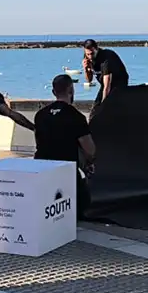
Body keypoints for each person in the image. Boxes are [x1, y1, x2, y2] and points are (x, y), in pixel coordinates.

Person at [34, 74, 96, 218]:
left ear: (53, 92)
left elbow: (39, 143)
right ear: (71, 90)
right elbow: (90, 150)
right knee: (84, 201)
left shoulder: (40, 115)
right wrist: (88, 164)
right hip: (65, 171)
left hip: (42, 169)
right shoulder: (76, 117)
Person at [82, 39, 129, 118]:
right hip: (104, 84)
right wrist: (86, 69)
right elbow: (89, 80)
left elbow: (107, 86)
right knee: (95, 111)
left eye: (92, 54)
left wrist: (103, 106)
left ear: (96, 49)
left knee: (109, 108)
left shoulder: (106, 59)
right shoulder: (88, 58)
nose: (90, 57)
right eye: (88, 54)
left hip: (119, 82)